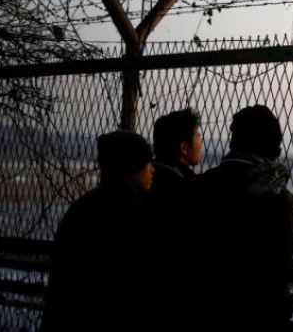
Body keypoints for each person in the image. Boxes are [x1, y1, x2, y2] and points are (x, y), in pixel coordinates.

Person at [196, 105, 293, 331]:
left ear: (234, 139)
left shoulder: (200, 186)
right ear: (273, 143)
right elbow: (284, 255)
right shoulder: (278, 196)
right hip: (261, 307)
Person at [41, 130, 154, 331]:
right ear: (132, 167)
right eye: (147, 162)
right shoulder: (129, 212)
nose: (152, 169)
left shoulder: (83, 207)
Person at [149, 108, 202, 328]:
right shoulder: (189, 190)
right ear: (183, 147)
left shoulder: (146, 181)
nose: (200, 144)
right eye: (197, 138)